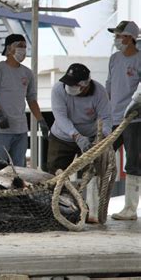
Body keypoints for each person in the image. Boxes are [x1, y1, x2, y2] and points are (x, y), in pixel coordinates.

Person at [46, 63, 112, 223]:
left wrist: (101, 138)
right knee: (56, 174)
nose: (68, 86)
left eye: (73, 83)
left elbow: (106, 118)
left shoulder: (99, 92)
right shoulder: (58, 89)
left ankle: (91, 212)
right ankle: (56, 211)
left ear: (84, 84)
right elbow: (60, 117)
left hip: (91, 137)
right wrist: (76, 136)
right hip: (62, 136)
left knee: (92, 173)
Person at [0, 34, 48, 166]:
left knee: (19, 169)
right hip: (0, 129)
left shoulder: (27, 73)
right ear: (9, 48)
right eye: (19, 46)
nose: (23, 50)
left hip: (21, 130)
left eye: (25, 47)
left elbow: (31, 99)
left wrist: (41, 120)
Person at [105, 21, 141, 220]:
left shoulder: (139, 59)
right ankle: (95, 208)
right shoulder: (114, 59)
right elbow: (109, 85)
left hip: (134, 120)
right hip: (112, 118)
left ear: (130, 37)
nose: (117, 39)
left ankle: (130, 208)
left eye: (119, 36)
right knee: (102, 159)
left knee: (133, 163)